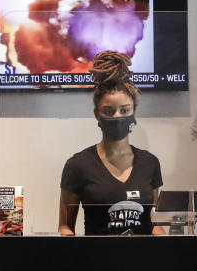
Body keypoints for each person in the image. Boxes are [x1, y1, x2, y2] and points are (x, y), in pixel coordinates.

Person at [58, 50, 165, 235]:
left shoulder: (150, 163)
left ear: (134, 113)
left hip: (144, 261)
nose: (117, 117)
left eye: (124, 110)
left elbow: (155, 223)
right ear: (97, 114)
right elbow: (65, 227)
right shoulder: (77, 165)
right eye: (109, 111)